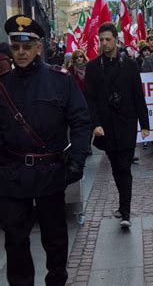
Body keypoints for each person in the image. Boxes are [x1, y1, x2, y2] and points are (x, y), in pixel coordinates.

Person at [0, 15, 90, 285]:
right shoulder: (3, 85)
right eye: (16, 47)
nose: (21, 52)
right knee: (15, 239)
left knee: (55, 236)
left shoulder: (60, 80)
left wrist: (77, 160)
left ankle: (56, 280)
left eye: (27, 46)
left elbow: (80, 121)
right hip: (12, 174)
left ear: (38, 47)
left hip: (50, 171)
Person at [85, 22, 150, 228]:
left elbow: (138, 96)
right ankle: (123, 206)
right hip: (105, 126)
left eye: (108, 39)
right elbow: (91, 99)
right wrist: (94, 124)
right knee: (116, 167)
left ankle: (126, 212)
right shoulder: (93, 67)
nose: (104, 43)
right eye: (101, 39)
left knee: (125, 167)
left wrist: (144, 124)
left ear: (116, 40)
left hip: (126, 123)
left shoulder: (130, 65)